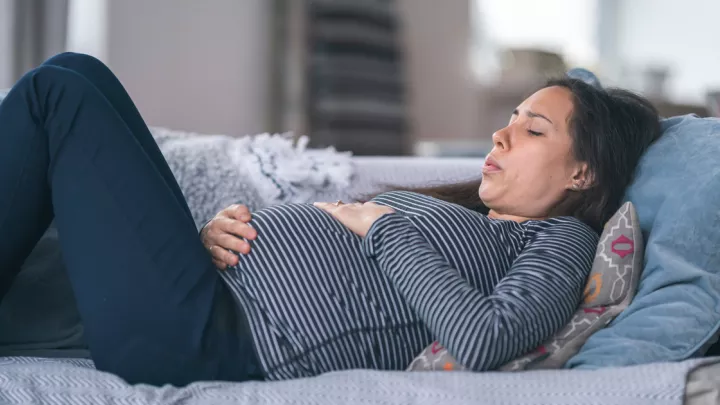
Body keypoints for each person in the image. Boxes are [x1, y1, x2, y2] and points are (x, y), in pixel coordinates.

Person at [0, 53, 661, 387]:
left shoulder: (563, 238)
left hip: (210, 339)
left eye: (533, 128)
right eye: (510, 117)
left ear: (584, 173)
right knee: (70, 76)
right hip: (202, 294)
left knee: (62, 90)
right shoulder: (479, 224)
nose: (501, 133)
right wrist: (203, 238)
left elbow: (487, 339)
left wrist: (381, 227)